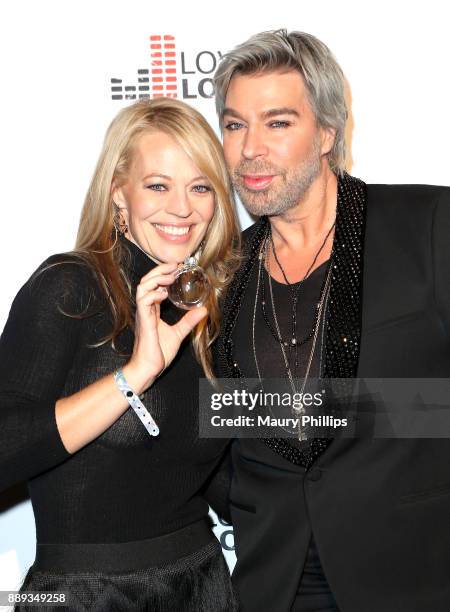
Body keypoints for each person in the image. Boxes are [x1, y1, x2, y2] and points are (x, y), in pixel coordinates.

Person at [212, 29, 450, 612]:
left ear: (326, 132)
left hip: (418, 580)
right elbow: (216, 442)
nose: (250, 149)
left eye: (277, 122)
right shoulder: (219, 277)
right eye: (235, 124)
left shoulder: (428, 225)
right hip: (276, 586)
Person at [0, 97, 240, 611]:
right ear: (118, 193)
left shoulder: (202, 308)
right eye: (158, 185)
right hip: (85, 596)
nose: (183, 208)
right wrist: (134, 375)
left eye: (200, 187)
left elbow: (213, 477)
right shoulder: (69, 289)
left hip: (201, 585)